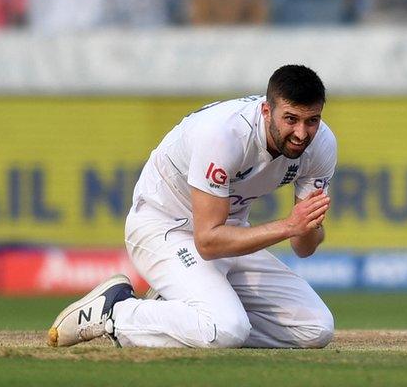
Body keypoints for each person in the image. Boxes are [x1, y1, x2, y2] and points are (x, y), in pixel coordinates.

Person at [49, 65, 336, 349]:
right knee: (226, 329)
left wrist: (307, 228)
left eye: (312, 120)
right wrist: (288, 226)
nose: (301, 133)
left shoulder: (321, 144)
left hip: (230, 234)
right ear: (266, 111)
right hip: (164, 226)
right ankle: (115, 312)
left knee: (315, 329)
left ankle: (182, 314)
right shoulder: (224, 135)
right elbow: (208, 242)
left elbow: (303, 247)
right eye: (291, 119)